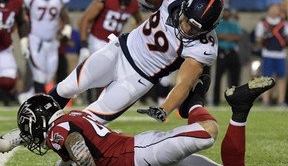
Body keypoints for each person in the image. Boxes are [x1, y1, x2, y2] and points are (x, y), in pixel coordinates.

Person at [0, 0, 224, 150]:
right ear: (187, 3)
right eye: (187, 21)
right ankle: (24, 133)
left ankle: (59, 150)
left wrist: (165, 108)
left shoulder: (205, 46)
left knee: (87, 122)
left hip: (139, 79)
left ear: (210, 28)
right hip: (119, 51)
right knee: (67, 87)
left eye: (196, 29)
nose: (187, 29)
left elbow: (184, 83)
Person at [14, 76, 275, 166]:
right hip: (140, 153)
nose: (29, 133)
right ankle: (239, 110)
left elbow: (75, 144)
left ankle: (193, 102)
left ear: (40, 120)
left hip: (139, 155)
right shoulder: (74, 116)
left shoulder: (58, 130)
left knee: (208, 131)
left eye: (28, 127)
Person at [78, 0, 142, 103]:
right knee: (94, 75)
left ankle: (104, 102)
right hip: (96, 39)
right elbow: (84, 20)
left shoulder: (133, 3)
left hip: (113, 42)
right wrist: (84, 45)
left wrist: (134, 37)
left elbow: (140, 23)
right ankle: (91, 101)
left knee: (114, 75)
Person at [21, 0, 72, 96]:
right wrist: (24, 38)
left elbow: (65, 17)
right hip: (35, 39)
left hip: (52, 41)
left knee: (50, 74)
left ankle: (28, 96)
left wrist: (66, 29)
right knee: (39, 73)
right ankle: (39, 100)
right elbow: (22, 18)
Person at [0, 0, 29, 106]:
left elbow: (22, 22)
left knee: (9, 80)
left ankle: (6, 97)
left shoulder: (17, 0)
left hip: (5, 47)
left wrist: (24, 43)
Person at [255, 3, 288, 109]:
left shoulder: (284, 24)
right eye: (272, 9)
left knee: (281, 78)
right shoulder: (262, 24)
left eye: (276, 9)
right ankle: (266, 101)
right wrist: (264, 38)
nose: (274, 11)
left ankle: (281, 101)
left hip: (280, 54)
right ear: (268, 10)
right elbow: (258, 39)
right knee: (266, 78)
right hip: (267, 54)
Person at [213, 7, 242, 106]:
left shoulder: (234, 24)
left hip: (232, 52)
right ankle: (215, 101)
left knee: (235, 78)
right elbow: (218, 35)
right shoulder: (218, 23)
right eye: (224, 12)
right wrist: (230, 37)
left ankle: (235, 100)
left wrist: (225, 36)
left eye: (227, 12)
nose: (226, 13)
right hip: (222, 52)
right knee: (218, 78)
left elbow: (238, 37)